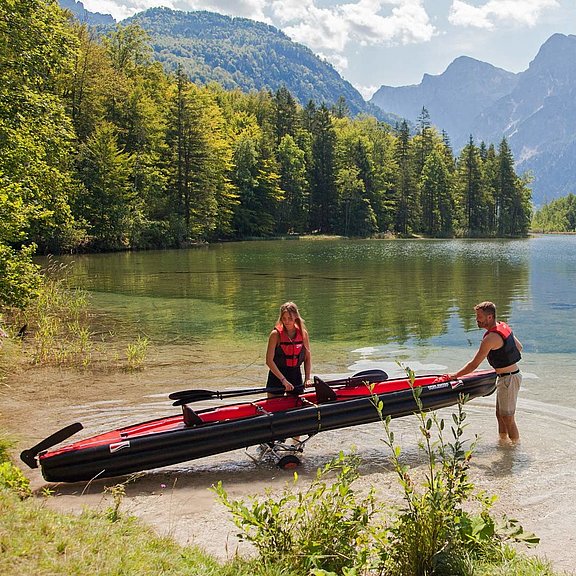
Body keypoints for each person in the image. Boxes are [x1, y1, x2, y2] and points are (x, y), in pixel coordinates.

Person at [443, 301, 523, 444]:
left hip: (509, 379)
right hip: (509, 377)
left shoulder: (490, 338)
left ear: (490, 317)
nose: (477, 320)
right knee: (500, 415)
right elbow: (519, 347)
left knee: (508, 417)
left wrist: (455, 375)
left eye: (479, 317)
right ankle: (503, 442)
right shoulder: (503, 327)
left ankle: (514, 448)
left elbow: (474, 364)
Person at [266, 301, 312, 398]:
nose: (287, 321)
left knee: (296, 406)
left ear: (296, 317)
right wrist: (283, 380)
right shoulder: (275, 335)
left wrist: (307, 378)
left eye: (290, 318)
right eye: (284, 318)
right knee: (274, 406)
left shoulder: (303, 334)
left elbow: (307, 358)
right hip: (277, 375)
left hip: (295, 374)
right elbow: (269, 361)